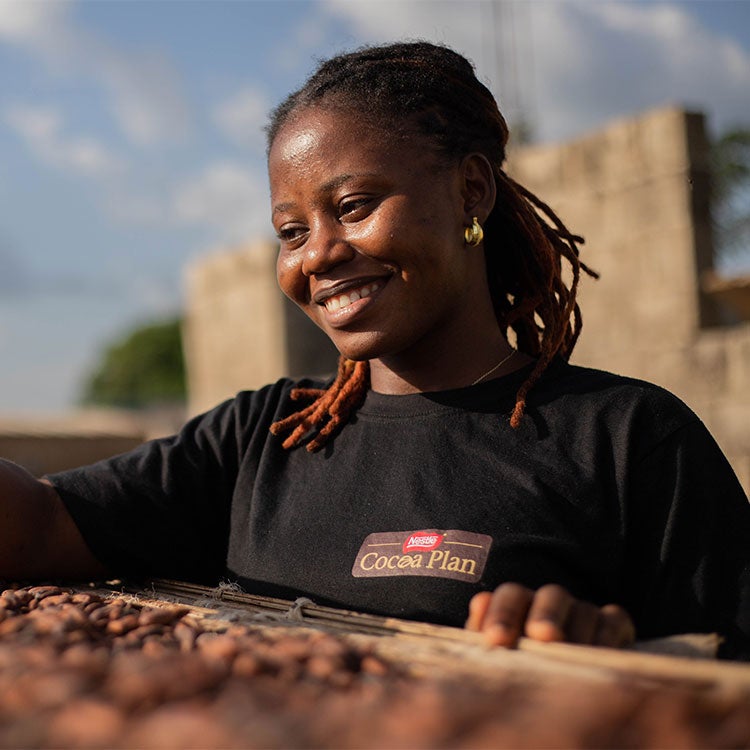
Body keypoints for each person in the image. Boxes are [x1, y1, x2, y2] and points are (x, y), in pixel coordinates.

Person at [1, 41, 748, 659]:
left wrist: (609, 649)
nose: (317, 255)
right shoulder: (269, 437)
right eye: (290, 231)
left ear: (472, 190)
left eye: (353, 206)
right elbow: (36, 528)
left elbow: (721, 672)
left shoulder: (629, 441)